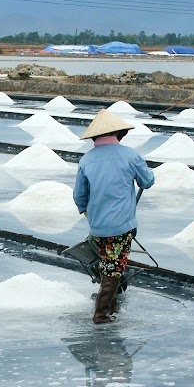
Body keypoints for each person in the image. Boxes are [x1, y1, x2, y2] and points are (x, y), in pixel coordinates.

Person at [72, 109, 156, 324]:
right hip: (121, 224)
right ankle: (101, 312)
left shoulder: (86, 160)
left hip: (97, 224)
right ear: (119, 134)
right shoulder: (130, 155)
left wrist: (86, 210)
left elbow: (79, 195)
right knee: (114, 265)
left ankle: (113, 298)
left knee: (109, 260)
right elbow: (147, 181)